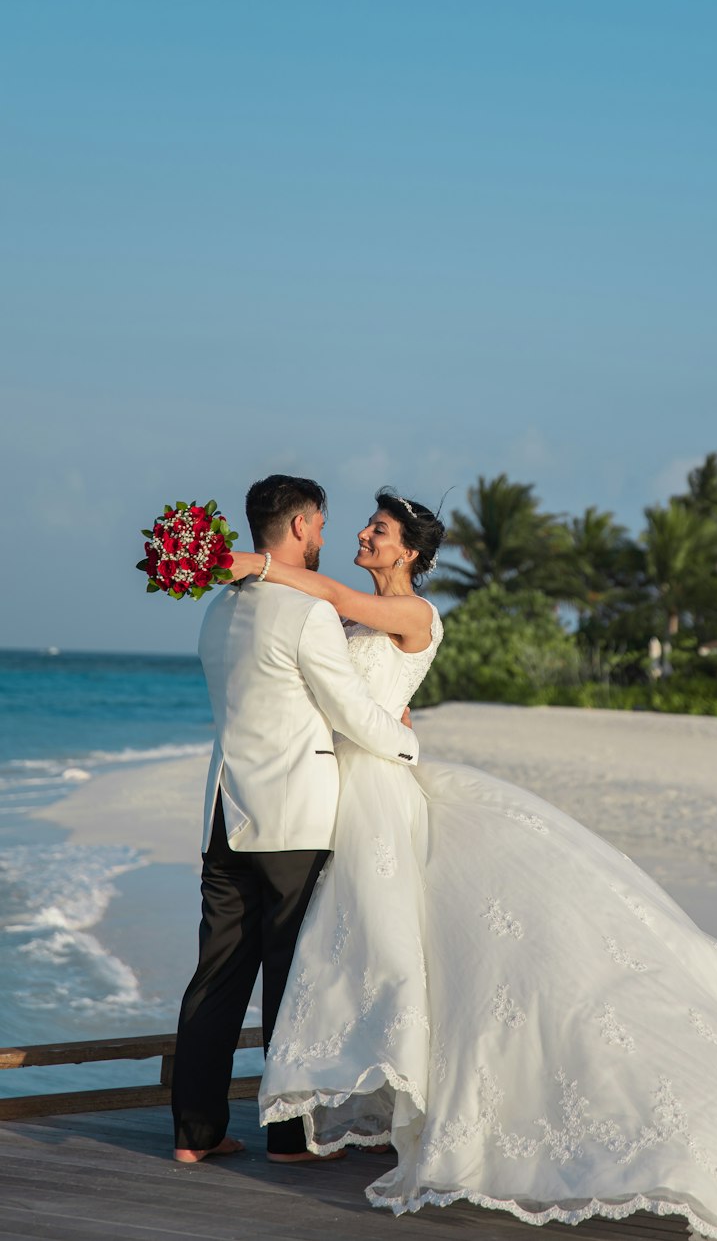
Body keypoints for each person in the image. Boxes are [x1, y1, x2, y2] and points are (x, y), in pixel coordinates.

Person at [229, 489, 717, 1239]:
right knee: (398, 954)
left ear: (409, 551)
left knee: (404, 948)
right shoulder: (350, 618)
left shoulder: (414, 613)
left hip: (384, 789)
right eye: (365, 526)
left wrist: (246, 563)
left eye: (377, 530)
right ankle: (401, 1095)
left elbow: (336, 597)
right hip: (351, 789)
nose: (362, 533)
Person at [171, 475, 418, 1164]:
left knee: (215, 974)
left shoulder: (218, 608)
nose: (331, 537)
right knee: (289, 977)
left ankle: (194, 1134)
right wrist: (409, 742)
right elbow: (347, 709)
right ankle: (287, 1137)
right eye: (324, 525)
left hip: (226, 811)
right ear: (304, 526)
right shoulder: (306, 613)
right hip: (295, 817)